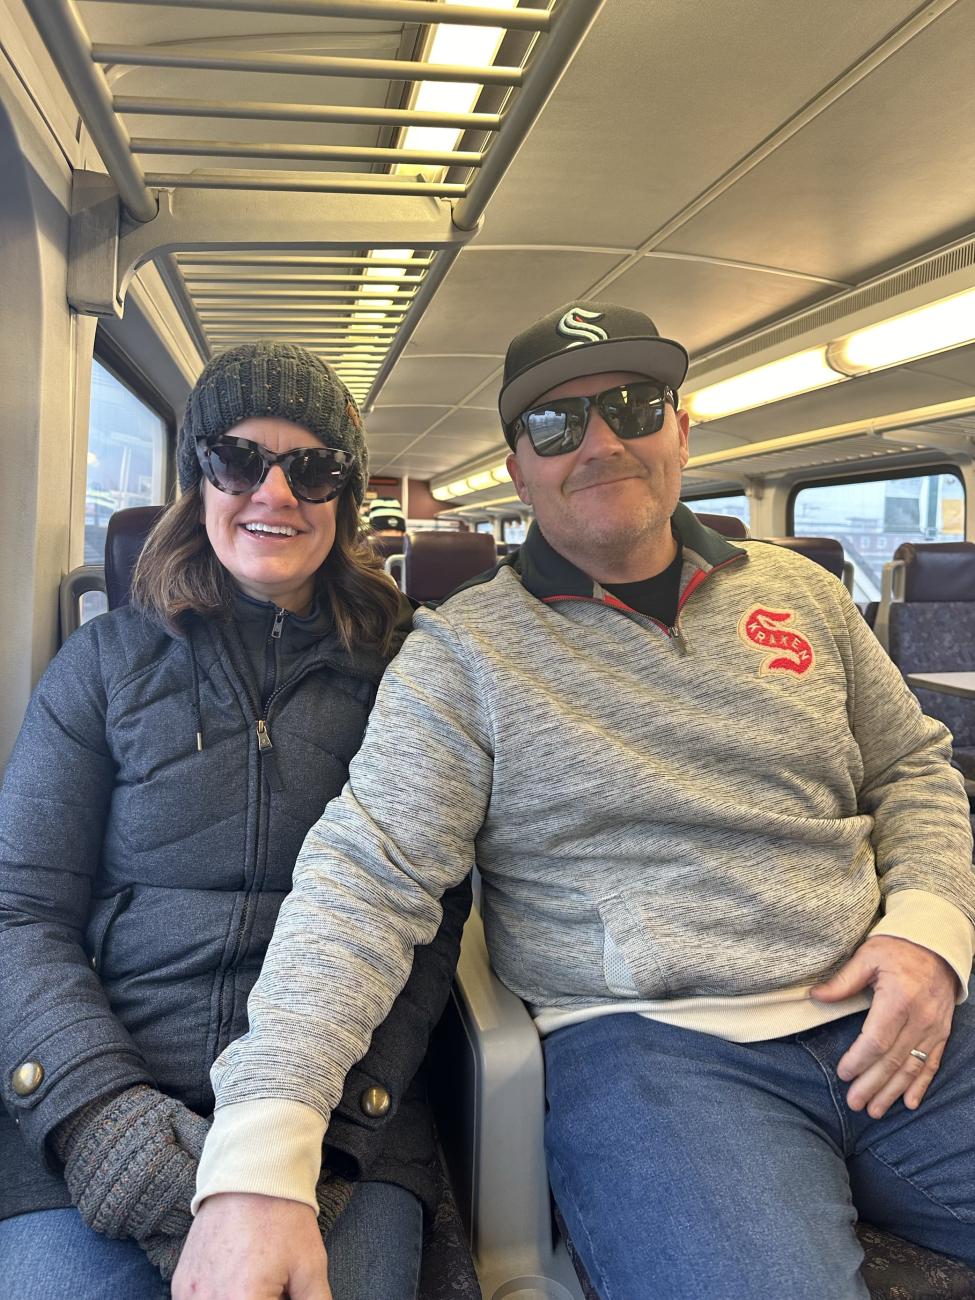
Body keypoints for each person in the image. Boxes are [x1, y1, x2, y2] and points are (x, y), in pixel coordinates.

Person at [174, 305, 975, 1300]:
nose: (600, 441)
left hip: (903, 1004)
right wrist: (263, 1151)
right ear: (519, 468)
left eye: (633, 407)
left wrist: (933, 934)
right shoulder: (463, 653)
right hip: (660, 1057)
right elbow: (366, 882)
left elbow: (913, 769)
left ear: (681, 428)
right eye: (556, 426)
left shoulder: (805, 596)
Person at [0, 342, 471, 1300]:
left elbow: (427, 924)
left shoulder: (408, 674)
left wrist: (328, 1147)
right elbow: (19, 914)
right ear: (196, 478)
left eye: (311, 468)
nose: (274, 492)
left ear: (343, 497)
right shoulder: (101, 667)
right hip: (104, 1079)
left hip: (341, 1105)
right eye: (239, 459)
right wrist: (104, 1123)